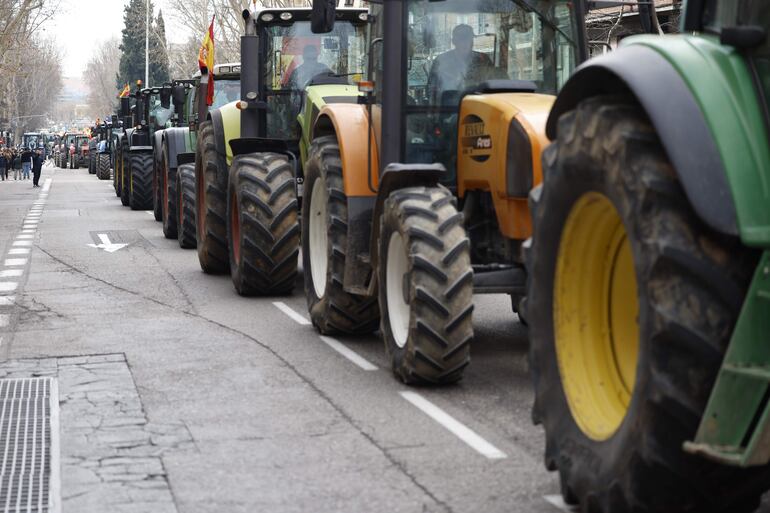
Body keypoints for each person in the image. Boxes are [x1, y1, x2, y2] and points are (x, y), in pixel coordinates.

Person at [427, 24, 497, 104]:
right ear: (454, 41)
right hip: (448, 109)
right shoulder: (441, 61)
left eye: (469, 39)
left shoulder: (483, 59)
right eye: (461, 39)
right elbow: (431, 89)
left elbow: (493, 84)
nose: (466, 43)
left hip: (478, 106)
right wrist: (434, 112)